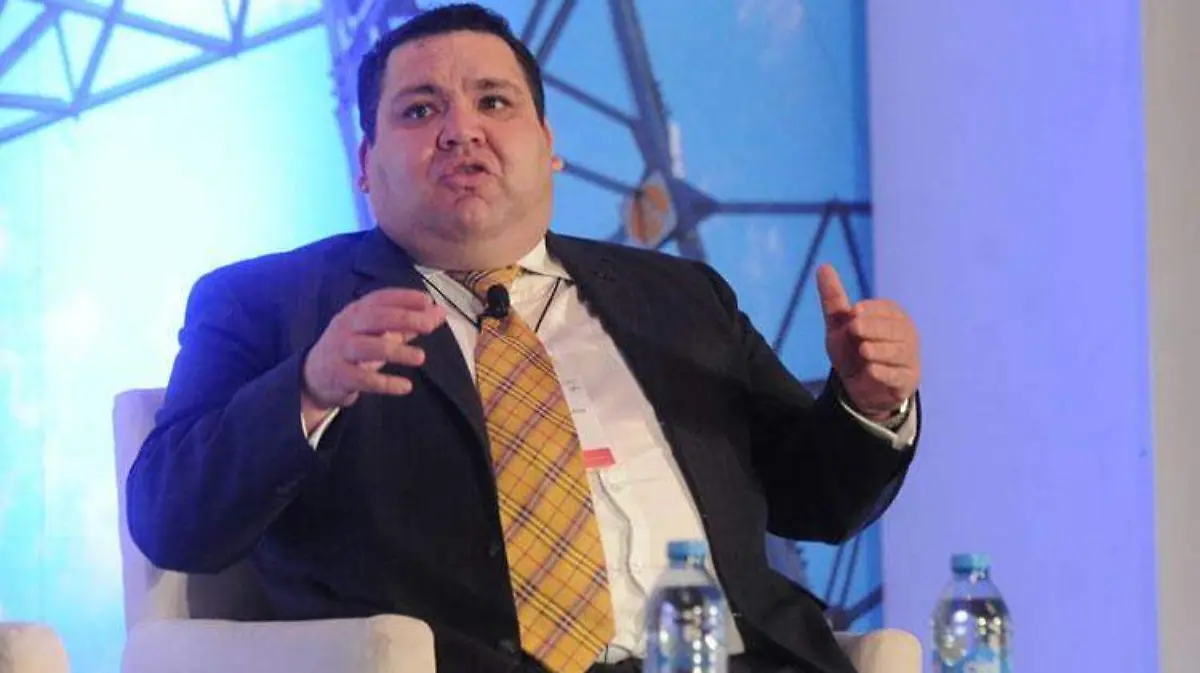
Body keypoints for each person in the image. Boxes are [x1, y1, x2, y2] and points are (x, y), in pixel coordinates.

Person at [126, 4, 922, 673]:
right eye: (419, 110)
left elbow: (814, 500)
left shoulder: (680, 297)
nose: (461, 131)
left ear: (549, 144)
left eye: (495, 102)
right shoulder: (271, 305)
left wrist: (868, 404)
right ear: (365, 163)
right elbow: (174, 522)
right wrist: (308, 388)